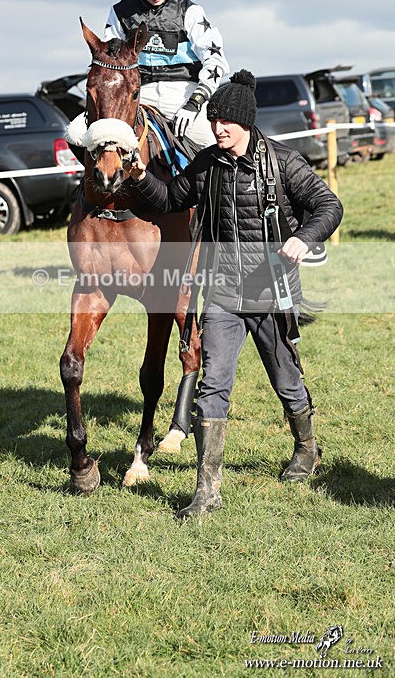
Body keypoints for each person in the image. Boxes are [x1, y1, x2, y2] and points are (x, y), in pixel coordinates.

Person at [128, 69, 344, 518]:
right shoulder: (206, 164)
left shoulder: (283, 162)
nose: (217, 128)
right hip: (223, 294)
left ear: (245, 121)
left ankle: (306, 448)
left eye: (225, 121)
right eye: (213, 121)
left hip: (271, 292)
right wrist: (137, 173)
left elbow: (329, 205)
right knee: (212, 388)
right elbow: (169, 198)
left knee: (287, 383)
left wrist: (304, 238)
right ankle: (206, 491)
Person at [104, 0, 229, 147]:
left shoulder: (191, 11)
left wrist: (195, 102)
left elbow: (216, 61)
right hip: (138, 95)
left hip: (183, 93)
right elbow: (110, 64)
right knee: (85, 136)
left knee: (219, 148)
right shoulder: (120, 13)